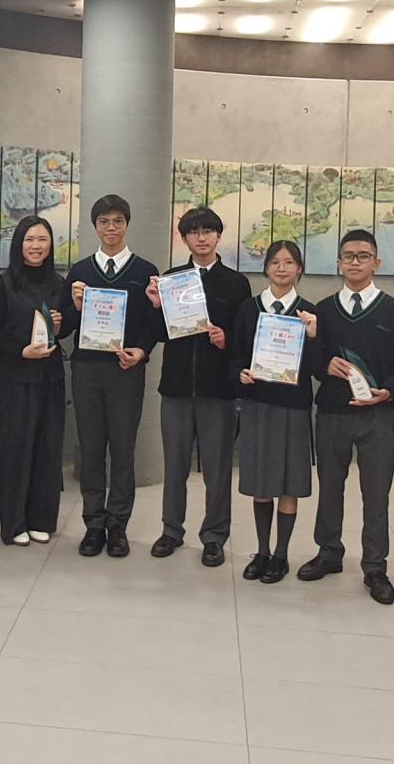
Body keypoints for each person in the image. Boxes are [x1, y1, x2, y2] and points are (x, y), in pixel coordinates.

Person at [300, 229, 394, 604]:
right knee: (330, 487)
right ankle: (328, 552)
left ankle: (375, 566)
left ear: (376, 263)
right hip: (332, 414)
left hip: (378, 417)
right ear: (338, 263)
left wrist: (391, 391)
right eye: (348, 256)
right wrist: (323, 363)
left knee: (376, 494)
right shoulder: (322, 310)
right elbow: (309, 361)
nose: (355, 262)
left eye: (363, 256)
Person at [145, 206, 251, 567]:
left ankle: (215, 535)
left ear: (218, 236)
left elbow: (244, 339)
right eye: (194, 232)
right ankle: (171, 530)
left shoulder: (236, 284)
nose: (201, 238)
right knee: (174, 464)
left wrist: (226, 339)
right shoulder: (172, 279)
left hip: (217, 390)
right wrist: (156, 306)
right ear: (184, 238)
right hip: (176, 387)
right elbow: (160, 334)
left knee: (217, 468)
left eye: (208, 231)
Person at [61, 194, 159, 558]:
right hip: (86, 370)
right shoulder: (80, 272)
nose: (111, 228)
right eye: (104, 222)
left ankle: (118, 525)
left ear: (127, 224)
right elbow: (64, 327)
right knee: (90, 449)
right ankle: (93, 523)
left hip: (125, 371)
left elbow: (155, 324)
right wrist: (74, 306)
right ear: (95, 227)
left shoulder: (145, 271)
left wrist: (142, 350)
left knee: (122, 449)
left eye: (118, 221)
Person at [229, 241, 320, 584]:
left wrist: (313, 336)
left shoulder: (309, 312)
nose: (282, 268)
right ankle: (262, 551)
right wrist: (239, 374)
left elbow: (317, 367)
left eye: (289, 262)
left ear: (299, 269)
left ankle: (281, 555)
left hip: (293, 407)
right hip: (258, 404)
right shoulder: (248, 309)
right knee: (261, 480)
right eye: (275, 262)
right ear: (266, 268)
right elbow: (235, 355)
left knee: (289, 482)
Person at [0, 216, 70, 546]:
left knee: (48, 450)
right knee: (15, 451)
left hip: (50, 378)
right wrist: (21, 351)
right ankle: (14, 523)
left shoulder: (58, 283)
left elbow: (66, 327)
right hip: (15, 379)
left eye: (42, 240)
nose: (36, 246)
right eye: (29, 240)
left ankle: (41, 519)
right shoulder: (4, 284)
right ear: (19, 244)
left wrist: (62, 325)